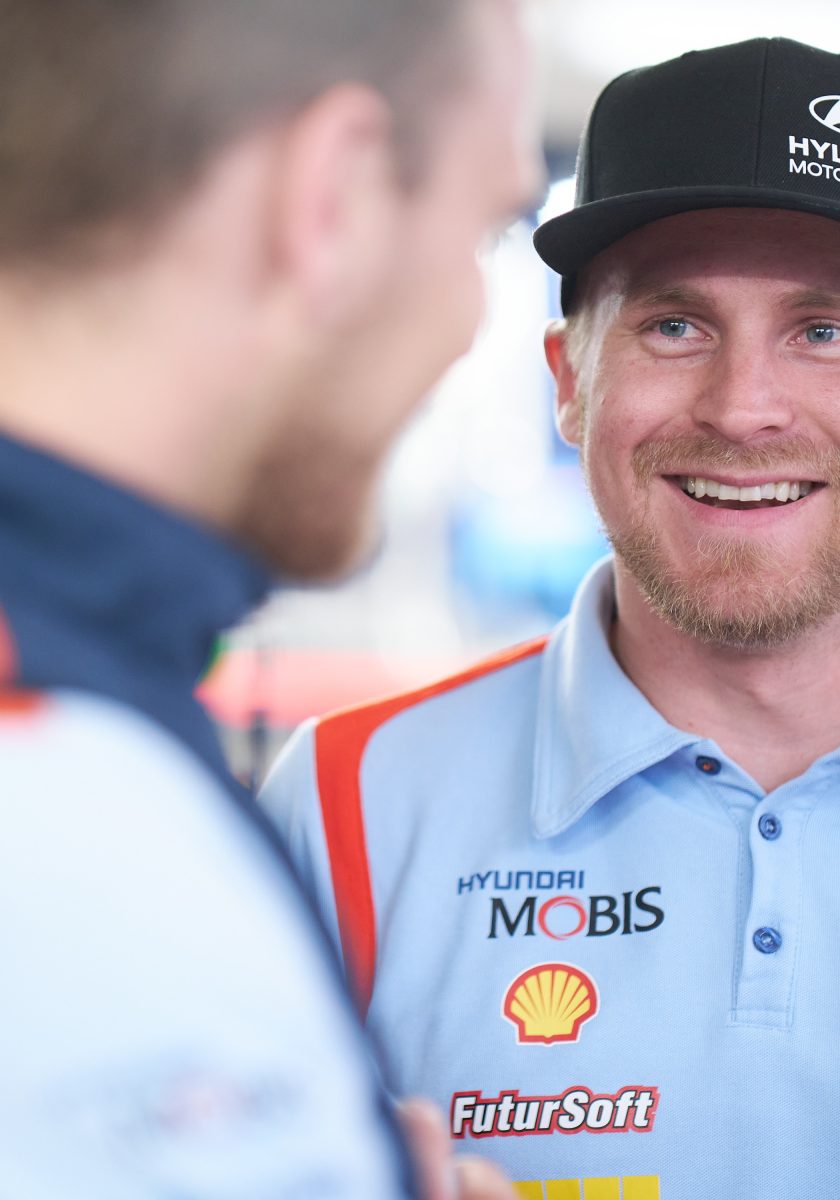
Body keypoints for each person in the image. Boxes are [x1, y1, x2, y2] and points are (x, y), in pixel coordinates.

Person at [263, 35, 840, 1200]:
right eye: (674, 326)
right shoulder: (347, 807)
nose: (744, 410)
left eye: (825, 332)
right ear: (570, 383)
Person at [0, 1, 543, 1197]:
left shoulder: (95, 693)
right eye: (487, 231)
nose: (470, 326)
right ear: (335, 194)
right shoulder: (61, 777)